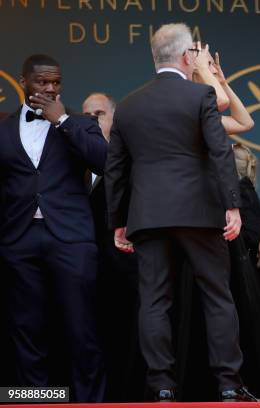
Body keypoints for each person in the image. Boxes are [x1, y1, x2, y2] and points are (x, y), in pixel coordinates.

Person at [104, 23, 259, 402]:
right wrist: (232, 205)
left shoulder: (128, 106)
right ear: (187, 57)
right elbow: (221, 151)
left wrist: (119, 221)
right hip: (200, 212)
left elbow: (115, 169)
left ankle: (161, 386)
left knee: (154, 300)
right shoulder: (200, 96)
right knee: (217, 296)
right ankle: (228, 384)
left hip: (149, 216)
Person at [0, 54, 107, 402]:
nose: (49, 88)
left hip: (71, 240)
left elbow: (104, 161)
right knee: (27, 330)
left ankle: (88, 402)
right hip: (19, 239)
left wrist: (61, 119)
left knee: (82, 328)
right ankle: (37, 401)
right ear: (23, 81)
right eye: (41, 82)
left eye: (55, 82)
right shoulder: (3, 127)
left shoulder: (79, 123)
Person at [82, 92, 144, 402]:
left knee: (126, 342)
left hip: (125, 272)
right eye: (87, 116)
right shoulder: (71, 164)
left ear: (114, 119)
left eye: (100, 114)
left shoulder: (132, 162)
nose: (92, 120)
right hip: (83, 274)